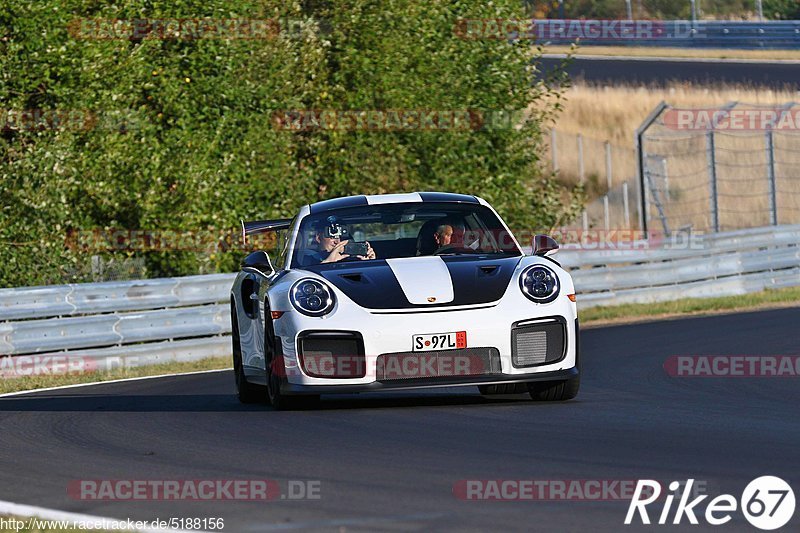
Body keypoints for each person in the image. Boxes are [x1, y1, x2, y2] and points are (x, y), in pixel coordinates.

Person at [306, 222, 375, 264]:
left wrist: (369, 263)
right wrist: (328, 261)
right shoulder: (307, 259)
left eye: (340, 237)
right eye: (332, 237)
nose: (337, 242)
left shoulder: (353, 259)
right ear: (318, 238)